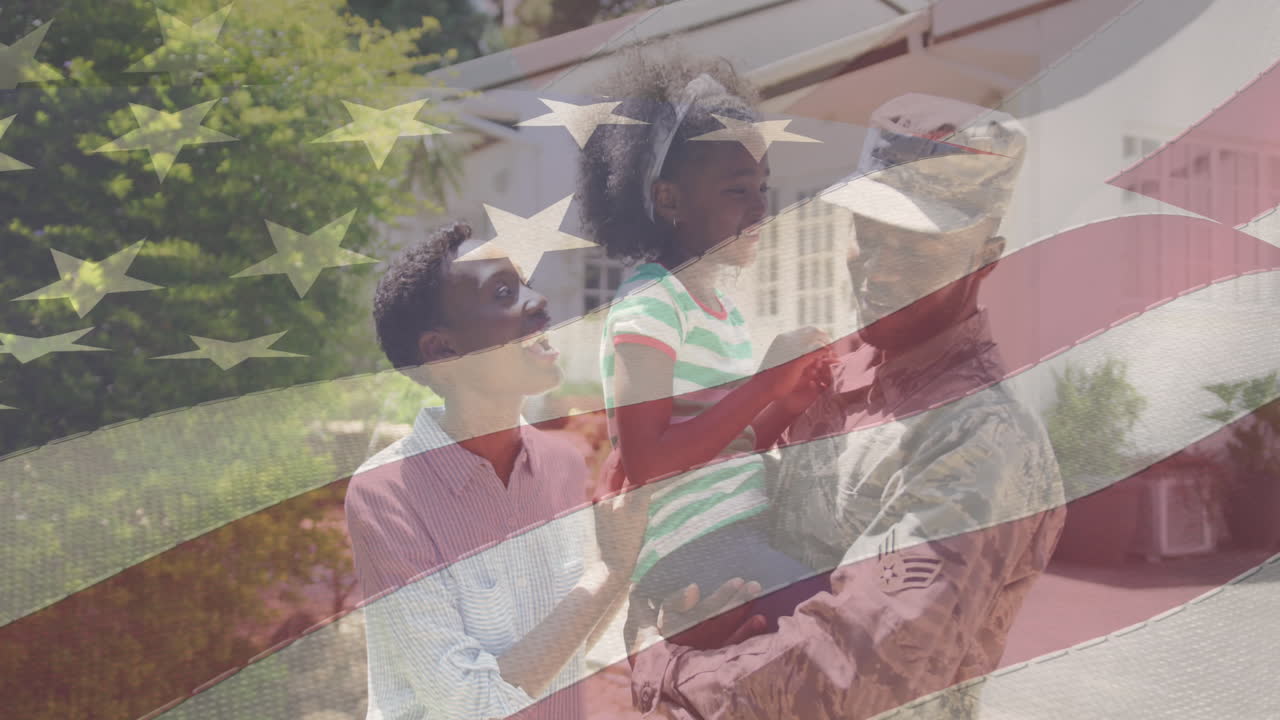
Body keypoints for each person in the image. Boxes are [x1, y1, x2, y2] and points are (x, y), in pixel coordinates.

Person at [626, 94, 1069, 719]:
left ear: (983, 260)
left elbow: (850, 672)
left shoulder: (980, 439)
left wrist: (665, 664)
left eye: (916, 244)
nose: (880, 268)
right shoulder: (829, 379)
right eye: (869, 231)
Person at [577, 49, 835, 653]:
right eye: (736, 190)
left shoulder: (720, 310)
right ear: (669, 202)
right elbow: (646, 463)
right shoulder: (651, 306)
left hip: (737, 531)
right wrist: (763, 385)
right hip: (694, 550)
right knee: (839, 625)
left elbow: (729, 444)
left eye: (763, 187)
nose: (759, 206)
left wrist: (784, 402)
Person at [345, 221, 645, 720]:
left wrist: (629, 567)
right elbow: (470, 705)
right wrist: (611, 569)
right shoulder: (385, 495)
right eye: (504, 293)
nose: (538, 301)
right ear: (443, 351)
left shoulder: (564, 463)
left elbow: (573, 632)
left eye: (525, 283)